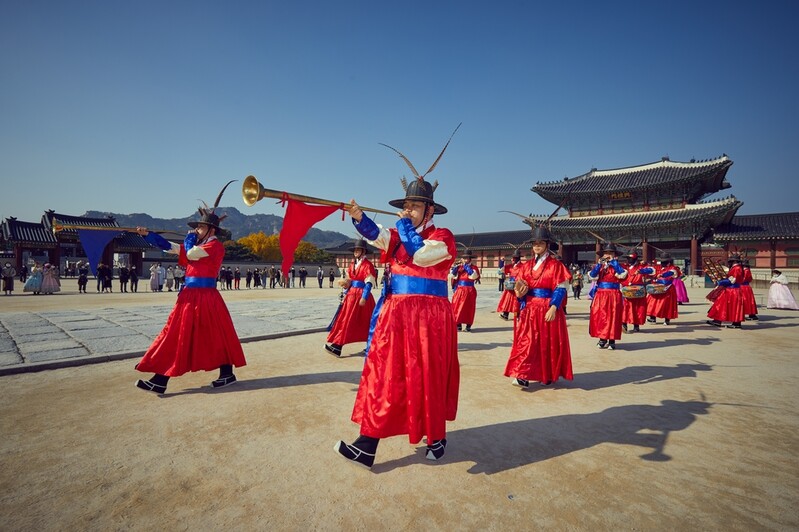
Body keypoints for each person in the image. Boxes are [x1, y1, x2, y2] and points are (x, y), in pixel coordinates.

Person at [334, 174, 459, 469]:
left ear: (430, 210)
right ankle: (367, 445)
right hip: (395, 314)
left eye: (415, 206)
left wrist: (404, 226)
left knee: (428, 376)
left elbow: (421, 255)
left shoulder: (443, 238)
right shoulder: (397, 236)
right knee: (383, 373)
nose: (407, 210)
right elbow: (377, 234)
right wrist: (358, 217)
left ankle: (436, 437)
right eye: (406, 205)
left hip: (429, 317)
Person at [134, 181, 246, 394]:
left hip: (204, 296)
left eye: (200, 227)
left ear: (211, 230)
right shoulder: (200, 244)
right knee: (202, 334)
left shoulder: (214, 246)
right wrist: (148, 236)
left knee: (179, 333)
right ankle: (225, 373)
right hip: (194, 296)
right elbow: (173, 248)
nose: (196, 229)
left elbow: (191, 253)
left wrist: (189, 238)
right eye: (196, 227)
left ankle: (161, 379)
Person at [504, 225, 572, 387]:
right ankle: (523, 375)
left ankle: (546, 374)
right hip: (529, 308)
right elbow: (520, 285)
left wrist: (554, 307)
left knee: (546, 343)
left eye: (541, 243)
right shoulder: (526, 266)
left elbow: (560, 288)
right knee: (526, 342)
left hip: (547, 307)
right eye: (535, 243)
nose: (537, 246)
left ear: (547, 245)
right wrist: (520, 297)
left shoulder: (555, 265)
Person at [324, 239, 377, 357]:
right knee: (345, 320)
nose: (356, 252)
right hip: (351, 295)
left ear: (363, 251)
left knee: (367, 322)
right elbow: (349, 280)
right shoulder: (352, 265)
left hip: (362, 297)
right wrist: (345, 290)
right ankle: (337, 346)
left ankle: (371, 345)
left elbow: (369, 283)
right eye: (355, 250)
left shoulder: (368, 265)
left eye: (358, 249)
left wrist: (364, 297)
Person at [588, 243, 628, 349]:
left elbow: (623, 275)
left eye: (610, 252)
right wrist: (599, 265)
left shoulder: (619, 266)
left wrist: (614, 263)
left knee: (613, 317)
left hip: (614, 294)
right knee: (601, 317)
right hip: (601, 294)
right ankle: (602, 338)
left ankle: (612, 340)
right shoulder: (599, 266)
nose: (608, 255)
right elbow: (592, 276)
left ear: (615, 255)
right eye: (606, 253)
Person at [707, 253, 745, 329]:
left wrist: (720, 282)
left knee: (721, 305)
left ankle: (721, 321)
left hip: (732, 290)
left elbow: (732, 280)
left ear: (733, 261)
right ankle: (720, 321)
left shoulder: (736, 269)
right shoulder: (738, 268)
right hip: (733, 290)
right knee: (731, 306)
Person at [621, 252, 654, 333]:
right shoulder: (624, 266)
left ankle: (636, 325)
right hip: (626, 290)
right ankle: (624, 324)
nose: (629, 260)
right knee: (625, 308)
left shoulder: (641, 266)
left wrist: (641, 271)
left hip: (638, 290)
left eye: (631, 259)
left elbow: (652, 270)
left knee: (637, 308)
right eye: (628, 258)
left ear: (635, 259)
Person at [451, 249, 480, 331]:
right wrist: (455, 269)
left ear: (470, 259)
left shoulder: (474, 267)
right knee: (456, 306)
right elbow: (453, 276)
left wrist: (467, 268)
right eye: (464, 258)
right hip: (460, 289)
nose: (465, 260)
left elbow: (474, 276)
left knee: (469, 308)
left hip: (469, 290)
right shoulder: (460, 267)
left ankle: (468, 325)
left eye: (467, 258)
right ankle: (458, 324)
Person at [646, 253, 679, 325]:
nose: (663, 263)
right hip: (656, 288)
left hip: (668, 288)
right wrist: (642, 270)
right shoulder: (657, 267)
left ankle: (667, 319)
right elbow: (650, 271)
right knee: (652, 302)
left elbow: (670, 273)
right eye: (662, 261)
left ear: (668, 262)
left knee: (667, 304)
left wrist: (662, 275)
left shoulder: (673, 268)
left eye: (665, 261)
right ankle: (652, 318)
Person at [497, 248, 524, 320]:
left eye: (513, 258)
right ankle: (505, 314)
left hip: (517, 286)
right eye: (512, 258)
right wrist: (502, 261)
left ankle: (517, 315)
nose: (512, 259)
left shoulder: (523, 266)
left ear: (517, 258)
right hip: (510, 285)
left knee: (517, 302)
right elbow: (502, 269)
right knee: (507, 300)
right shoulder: (511, 266)